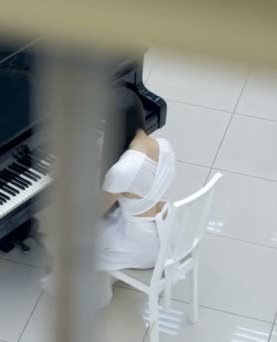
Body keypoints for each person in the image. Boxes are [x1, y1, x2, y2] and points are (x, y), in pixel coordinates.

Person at [42, 87, 176, 307]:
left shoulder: (123, 170)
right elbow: (136, 178)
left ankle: (95, 291)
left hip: (143, 245)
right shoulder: (164, 146)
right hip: (166, 228)